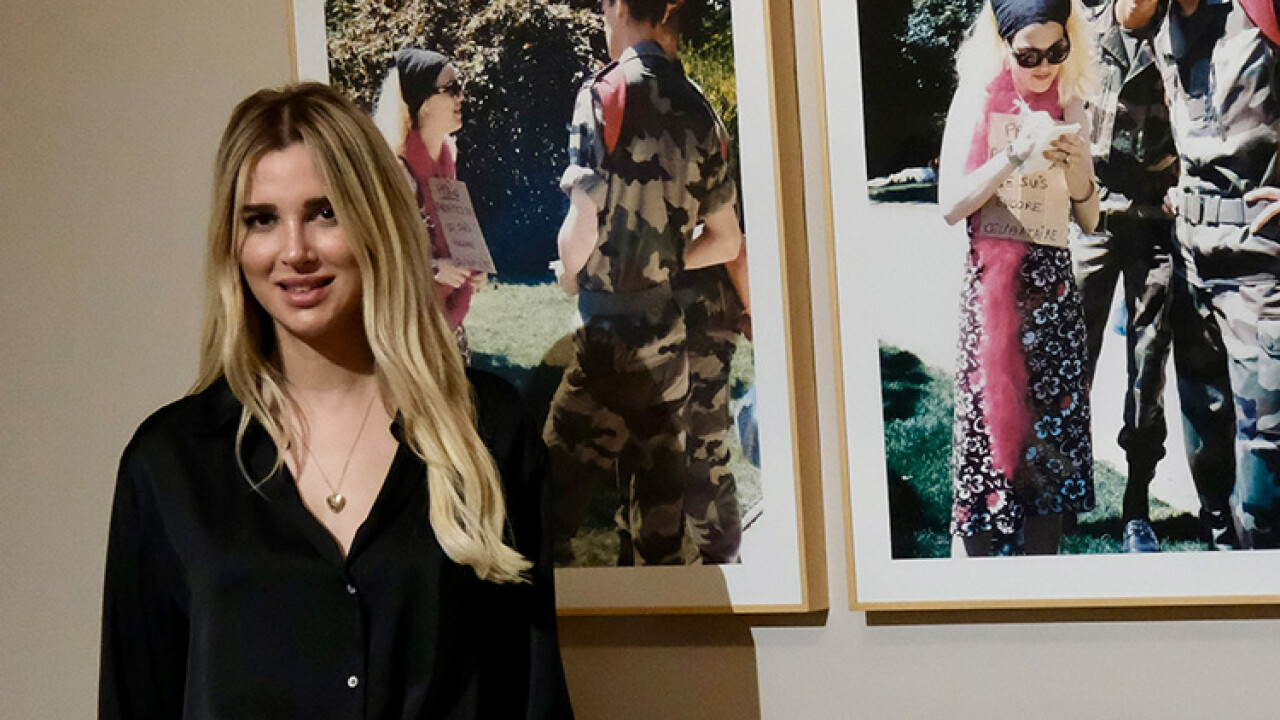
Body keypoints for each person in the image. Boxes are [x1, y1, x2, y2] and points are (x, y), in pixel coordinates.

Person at [99, 83, 573, 718]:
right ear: (232, 243)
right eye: (261, 220)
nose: (295, 251)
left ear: (374, 220)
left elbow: (533, 693)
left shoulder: (486, 431)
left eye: (325, 213)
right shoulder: (169, 465)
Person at [545, 0, 743, 565]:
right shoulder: (702, 111)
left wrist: (570, 274)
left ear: (620, 6)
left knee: (545, 506)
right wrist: (666, 261)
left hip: (605, 344)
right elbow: (726, 240)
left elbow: (581, 226)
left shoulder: (604, 94)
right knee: (658, 525)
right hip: (667, 345)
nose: (602, 21)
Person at [938, 0, 1100, 556]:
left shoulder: (1070, 102)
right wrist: (1015, 152)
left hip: (1053, 308)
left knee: (1047, 470)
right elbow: (951, 204)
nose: (1045, 67)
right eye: (1030, 55)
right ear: (1003, 44)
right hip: (992, 306)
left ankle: (1042, 590)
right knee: (986, 454)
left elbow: (1090, 217)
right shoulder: (977, 97)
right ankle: (976, 592)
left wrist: (1076, 168)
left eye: (1057, 51)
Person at [1074, 0, 1237, 552]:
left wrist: (1186, 182)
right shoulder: (1082, 26)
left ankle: (1136, 503)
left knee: (1147, 369)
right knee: (1070, 360)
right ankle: (1057, 489)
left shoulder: (1180, 32)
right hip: (1090, 217)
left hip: (1154, 223)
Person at [1117, 0, 1280, 548]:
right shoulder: (1159, 18)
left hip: (1260, 267)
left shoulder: (1258, 9)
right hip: (1191, 260)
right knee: (1206, 434)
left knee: (1266, 455)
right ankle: (1220, 557)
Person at [373, 48, 483, 359]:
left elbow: (454, 233)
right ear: (421, 103)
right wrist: (433, 268)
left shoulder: (447, 157)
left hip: (448, 326)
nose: (461, 97)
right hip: (408, 333)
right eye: (451, 89)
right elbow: (377, 256)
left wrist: (473, 267)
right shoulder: (395, 171)